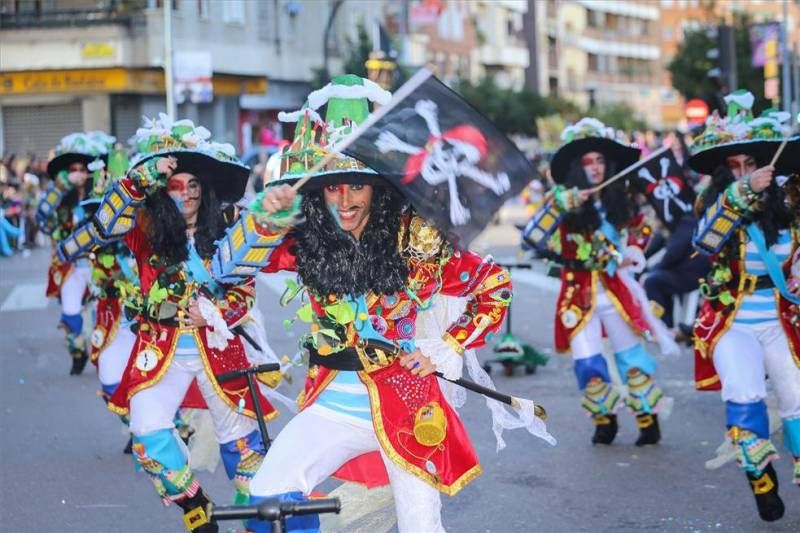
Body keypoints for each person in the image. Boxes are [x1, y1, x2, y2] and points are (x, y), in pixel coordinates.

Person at [211, 75, 548, 533]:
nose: (345, 200)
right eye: (332, 188)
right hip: (333, 402)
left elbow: (494, 285)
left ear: (378, 188)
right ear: (318, 192)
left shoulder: (417, 245)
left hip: (407, 404)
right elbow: (225, 270)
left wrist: (444, 348)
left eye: (357, 186)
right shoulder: (305, 243)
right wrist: (263, 219)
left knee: (420, 527)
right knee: (270, 498)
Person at [59, 115, 279, 533]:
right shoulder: (143, 231)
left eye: (194, 185)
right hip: (161, 348)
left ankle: (258, 523)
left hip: (218, 348)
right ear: (164, 192)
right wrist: (143, 177)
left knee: (243, 448)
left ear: (205, 190)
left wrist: (214, 312)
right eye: (177, 185)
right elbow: (106, 223)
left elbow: (244, 291)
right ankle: (196, 506)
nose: (187, 193)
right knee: (145, 432)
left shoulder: (227, 228)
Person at [524, 117, 677, 446]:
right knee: (588, 363)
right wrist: (559, 206)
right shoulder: (563, 202)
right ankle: (604, 420)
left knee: (631, 360)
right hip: (578, 294)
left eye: (599, 161)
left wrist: (634, 249)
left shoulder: (620, 199)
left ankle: (647, 418)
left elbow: (641, 228)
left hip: (617, 290)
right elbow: (531, 237)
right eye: (587, 162)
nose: (594, 168)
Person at [689, 90, 800, 522]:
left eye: (749, 164)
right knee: (745, 392)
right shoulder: (714, 203)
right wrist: (738, 193)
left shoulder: (790, 203)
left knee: (796, 397)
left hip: (781, 318)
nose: (743, 171)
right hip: (731, 320)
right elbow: (704, 241)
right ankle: (762, 481)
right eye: (732, 166)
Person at [37, 132, 115, 374]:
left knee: (101, 315)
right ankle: (78, 351)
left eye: (84, 167)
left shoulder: (102, 193)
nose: (80, 172)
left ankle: (104, 359)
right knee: (71, 314)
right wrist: (63, 184)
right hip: (70, 266)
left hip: (99, 265)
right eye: (74, 168)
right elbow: (42, 218)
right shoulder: (61, 198)